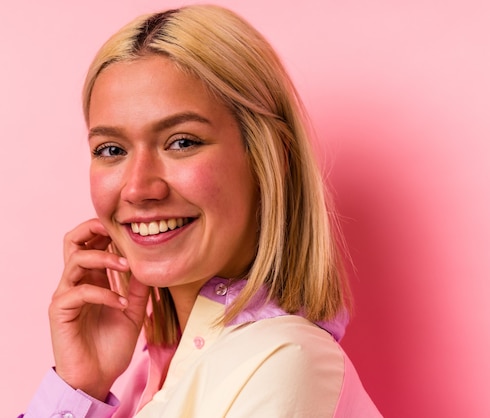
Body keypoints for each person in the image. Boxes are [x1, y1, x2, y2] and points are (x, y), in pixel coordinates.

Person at [20, 4, 381, 417]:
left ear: (270, 157)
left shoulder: (285, 362)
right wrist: (79, 387)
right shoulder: (149, 372)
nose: (138, 188)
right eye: (112, 150)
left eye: (182, 142)